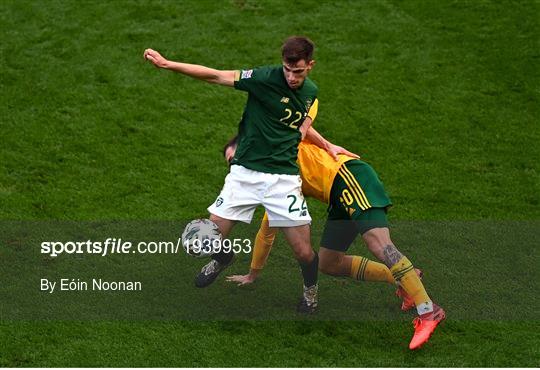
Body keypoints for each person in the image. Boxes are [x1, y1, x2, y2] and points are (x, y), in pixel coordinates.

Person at [144, 36, 351, 313]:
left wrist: (326, 144)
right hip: (245, 175)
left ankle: (310, 292)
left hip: (283, 180)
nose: (291, 76)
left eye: (298, 71)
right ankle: (224, 256)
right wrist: (168, 64)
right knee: (202, 238)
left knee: (303, 252)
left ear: (310, 66)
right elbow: (216, 76)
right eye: (287, 69)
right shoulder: (263, 78)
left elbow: (300, 126)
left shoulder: (311, 92)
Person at [222, 129, 446, 350]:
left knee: (379, 244)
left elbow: (303, 112)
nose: (237, 165)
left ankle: (428, 311)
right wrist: (253, 274)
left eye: (236, 157)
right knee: (329, 262)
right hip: (335, 197)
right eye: (231, 164)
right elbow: (268, 228)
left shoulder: (276, 143)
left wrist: (325, 142)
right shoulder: (271, 178)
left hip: (349, 177)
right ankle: (405, 280)